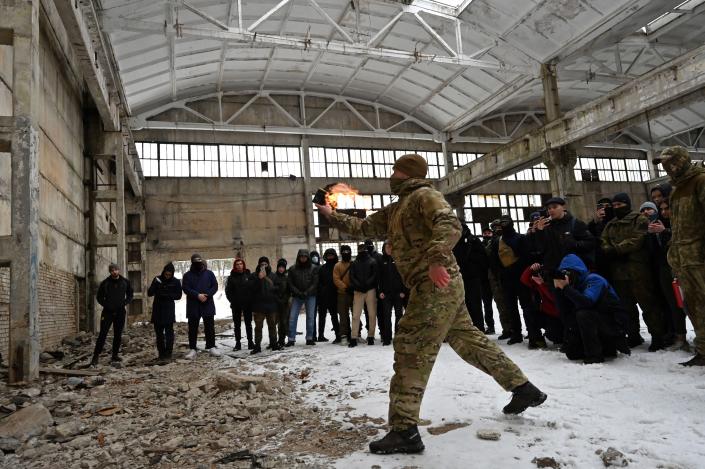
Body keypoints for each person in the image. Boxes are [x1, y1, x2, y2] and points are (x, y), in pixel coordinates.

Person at [317, 153, 545, 455]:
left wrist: (437, 259)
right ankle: (523, 389)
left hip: (435, 283)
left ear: (407, 174)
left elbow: (450, 224)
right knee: (469, 341)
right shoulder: (398, 208)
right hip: (441, 286)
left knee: (411, 347)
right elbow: (365, 227)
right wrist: (329, 213)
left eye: (396, 170)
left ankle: (404, 430)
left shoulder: (424, 195)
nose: (391, 174)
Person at [653, 146, 705, 366]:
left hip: (700, 257)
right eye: (664, 163)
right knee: (692, 305)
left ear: (682, 160)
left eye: (670, 161)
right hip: (683, 259)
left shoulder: (700, 181)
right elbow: (678, 226)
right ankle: (703, 350)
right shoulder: (676, 189)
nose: (667, 167)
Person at [601, 193, 667, 351]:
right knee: (626, 307)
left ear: (627, 204)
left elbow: (638, 239)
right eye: (614, 205)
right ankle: (633, 335)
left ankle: (658, 336)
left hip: (638, 270)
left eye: (620, 205)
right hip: (618, 272)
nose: (617, 208)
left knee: (648, 305)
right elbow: (604, 240)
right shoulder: (611, 224)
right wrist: (609, 250)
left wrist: (616, 250)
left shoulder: (640, 219)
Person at [553, 254, 631, 364]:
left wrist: (566, 288)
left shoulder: (594, 279)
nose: (566, 277)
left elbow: (587, 302)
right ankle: (605, 348)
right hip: (600, 323)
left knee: (583, 314)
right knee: (573, 353)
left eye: (568, 273)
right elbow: (565, 315)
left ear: (577, 271)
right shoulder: (574, 287)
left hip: (615, 324)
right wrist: (558, 290)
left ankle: (595, 356)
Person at [652, 199, 690, 351]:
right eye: (661, 209)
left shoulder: (683, 221)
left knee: (692, 304)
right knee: (674, 305)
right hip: (666, 269)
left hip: (685, 268)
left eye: (667, 208)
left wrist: (665, 232)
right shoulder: (658, 223)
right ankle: (680, 336)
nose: (664, 212)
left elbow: (686, 238)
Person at [492, 215, 532, 344]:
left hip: (521, 277)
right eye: (502, 223)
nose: (503, 225)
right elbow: (494, 261)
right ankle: (516, 333)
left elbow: (526, 258)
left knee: (526, 305)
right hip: (506, 278)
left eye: (506, 222)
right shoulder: (498, 241)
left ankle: (532, 332)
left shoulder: (520, 238)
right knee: (511, 307)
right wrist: (500, 274)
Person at [534, 197, 595, 273]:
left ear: (563, 207)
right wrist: (539, 232)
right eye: (549, 208)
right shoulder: (547, 227)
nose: (551, 210)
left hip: (572, 270)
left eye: (555, 207)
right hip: (552, 271)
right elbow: (542, 249)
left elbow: (591, 243)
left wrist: (574, 244)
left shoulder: (575, 223)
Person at [91, 263, 134, 367]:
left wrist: (124, 303)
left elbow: (130, 295)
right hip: (107, 312)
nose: (114, 272)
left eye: (116, 270)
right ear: (110, 272)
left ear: (119, 270)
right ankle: (95, 356)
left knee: (118, 334)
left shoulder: (125, 282)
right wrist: (107, 305)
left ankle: (114, 355)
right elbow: (99, 297)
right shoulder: (105, 283)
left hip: (120, 312)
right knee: (103, 334)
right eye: (112, 270)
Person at [182, 254, 222, 358]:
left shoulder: (209, 274)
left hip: (207, 303)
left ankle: (211, 347)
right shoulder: (187, 275)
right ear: (192, 263)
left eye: (199, 262)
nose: (198, 264)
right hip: (193, 304)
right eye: (195, 262)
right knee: (193, 328)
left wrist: (207, 295)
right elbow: (186, 288)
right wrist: (197, 295)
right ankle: (192, 348)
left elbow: (215, 286)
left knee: (209, 327)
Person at [454, 223, 490, 332]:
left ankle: (478, 328)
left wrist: (475, 269)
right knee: (461, 304)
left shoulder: (473, 240)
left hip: (472, 277)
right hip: (459, 277)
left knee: (475, 304)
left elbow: (483, 259)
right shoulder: (454, 241)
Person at [520, 263, 563, 347]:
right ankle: (537, 340)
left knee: (553, 335)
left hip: (559, 317)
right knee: (528, 311)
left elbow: (554, 298)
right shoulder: (540, 282)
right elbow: (524, 279)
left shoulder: (559, 281)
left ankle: (563, 338)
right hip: (547, 314)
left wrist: (542, 284)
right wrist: (531, 268)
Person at [147, 262, 182, 363]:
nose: (167, 276)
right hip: (158, 310)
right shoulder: (157, 279)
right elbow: (150, 293)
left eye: (169, 275)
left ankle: (168, 354)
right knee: (159, 334)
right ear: (163, 272)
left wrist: (167, 294)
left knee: (169, 334)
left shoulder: (175, 282)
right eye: (166, 274)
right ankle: (161, 354)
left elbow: (178, 295)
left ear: (172, 274)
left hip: (168, 310)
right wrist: (156, 286)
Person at [286, 249, 319, 346]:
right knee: (292, 317)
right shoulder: (292, 269)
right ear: (298, 257)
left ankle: (309, 338)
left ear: (307, 257)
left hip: (310, 296)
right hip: (297, 296)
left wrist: (307, 292)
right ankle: (291, 339)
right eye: (301, 256)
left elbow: (315, 282)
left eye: (305, 256)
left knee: (310, 317)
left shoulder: (314, 268)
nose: (303, 258)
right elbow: (290, 283)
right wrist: (298, 292)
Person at [486, 219, 512, 339]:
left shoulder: (510, 238)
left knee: (511, 302)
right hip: (495, 274)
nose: (497, 229)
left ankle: (515, 329)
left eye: (499, 226)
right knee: (501, 302)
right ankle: (507, 329)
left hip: (509, 272)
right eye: (494, 227)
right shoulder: (491, 242)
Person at [378, 242, 408, 346]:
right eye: (387, 247)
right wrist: (380, 291)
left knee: (399, 315)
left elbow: (404, 276)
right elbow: (379, 278)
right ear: (384, 248)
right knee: (386, 316)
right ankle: (387, 337)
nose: (389, 249)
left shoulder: (399, 260)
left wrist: (403, 291)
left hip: (398, 294)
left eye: (391, 247)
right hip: (386, 294)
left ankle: (398, 336)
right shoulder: (381, 261)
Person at [350, 243, 379, 347]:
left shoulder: (372, 261)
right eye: (360, 249)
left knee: (371, 314)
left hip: (369, 290)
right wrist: (360, 285)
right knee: (356, 315)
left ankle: (370, 336)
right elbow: (352, 276)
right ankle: (353, 337)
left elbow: (375, 275)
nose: (362, 251)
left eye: (363, 249)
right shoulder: (354, 263)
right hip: (359, 291)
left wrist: (366, 284)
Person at [250, 257, 280, 354]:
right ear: (259, 265)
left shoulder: (273, 275)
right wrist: (259, 279)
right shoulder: (254, 276)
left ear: (268, 264)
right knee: (258, 327)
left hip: (271, 305)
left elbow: (278, 288)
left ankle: (274, 344)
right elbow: (251, 289)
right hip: (259, 306)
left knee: (272, 326)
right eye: (261, 264)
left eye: (265, 264)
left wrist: (273, 291)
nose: (263, 266)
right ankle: (257, 346)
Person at [225, 259, 255, 351]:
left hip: (247, 304)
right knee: (237, 325)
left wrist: (250, 300)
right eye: (237, 264)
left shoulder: (248, 275)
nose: (239, 266)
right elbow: (228, 291)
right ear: (235, 266)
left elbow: (252, 288)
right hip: (236, 305)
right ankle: (238, 343)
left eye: (241, 264)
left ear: (243, 265)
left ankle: (250, 342)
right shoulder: (231, 278)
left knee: (248, 324)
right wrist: (233, 301)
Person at [317, 248, 341, 342]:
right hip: (323, 296)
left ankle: (338, 335)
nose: (330, 257)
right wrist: (322, 290)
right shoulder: (322, 268)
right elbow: (319, 281)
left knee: (334, 316)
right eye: (328, 255)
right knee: (322, 316)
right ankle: (321, 335)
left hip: (334, 295)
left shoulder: (337, 266)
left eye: (332, 255)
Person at [587, 198, 615, 279]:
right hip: (600, 262)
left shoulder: (616, 222)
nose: (604, 209)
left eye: (607, 206)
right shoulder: (593, 224)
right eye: (601, 207)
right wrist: (597, 221)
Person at [333, 245, 354, 344]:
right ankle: (344, 335)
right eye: (344, 251)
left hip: (354, 293)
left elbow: (358, 276)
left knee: (355, 315)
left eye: (348, 251)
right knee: (343, 315)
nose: (346, 253)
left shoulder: (354, 264)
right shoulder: (337, 266)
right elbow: (336, 279)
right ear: (341, 253)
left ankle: (356, 334)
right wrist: (345, 287)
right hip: (342, 294)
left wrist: (353, 287)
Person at [480, 228, 496, 334]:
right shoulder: (479, 245)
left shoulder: (495, 243)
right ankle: (490, 326)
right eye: (485, 233)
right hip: (484, 278)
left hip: (494, 276)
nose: (487, 234)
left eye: (489, 233)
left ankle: (508, 327)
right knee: (487, 304)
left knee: (502, 303)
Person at [273, 259, 290, 347]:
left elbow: (288, 291)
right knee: (273, 323)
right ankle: (273, 341)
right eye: (279, 267)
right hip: (275, 303)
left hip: (284, 303)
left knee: (283, 322)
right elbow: (272, 290)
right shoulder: (274, 277)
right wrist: (277, 299)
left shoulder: (286, 278)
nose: (281, 269)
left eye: (282, 267)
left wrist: (285, 299)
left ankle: (281, 340)